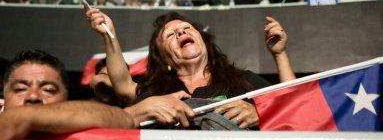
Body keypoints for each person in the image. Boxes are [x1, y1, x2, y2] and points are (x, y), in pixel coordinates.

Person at [86, 8, 295, 129]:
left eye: (186, 28)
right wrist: (108, 34)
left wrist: (261, 113)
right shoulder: (156, 93)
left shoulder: (243, 80)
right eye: (169, 35)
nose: (179, 32)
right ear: (165, 60)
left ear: (204, 42)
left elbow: (293, 106)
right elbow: (123, 85)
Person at [0, 50, 134, 140]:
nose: (33, 96)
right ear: (4, 98)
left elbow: (124, 119)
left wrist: (26, 114)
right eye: (21, 89)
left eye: (48, 90)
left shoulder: (77, 133)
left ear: (65, 100)